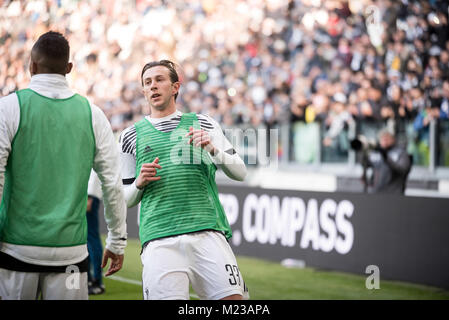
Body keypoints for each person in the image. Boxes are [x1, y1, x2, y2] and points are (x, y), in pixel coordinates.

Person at [0, 31, 127, 300]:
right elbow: (113, 183)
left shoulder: (9, 108)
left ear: (31, 66)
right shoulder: (93, 114)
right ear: (69, 68)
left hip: (16, 250)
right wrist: (117, 240)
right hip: (72, 255)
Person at [119, 60, 249, 300]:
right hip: (159, 238)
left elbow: (240, 172)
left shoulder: (204, 123)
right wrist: (139, 183)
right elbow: (125, 199)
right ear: (143, 91)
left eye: (159, 80)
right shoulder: (130, 136)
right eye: (147, 83)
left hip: (206, 232)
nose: (153, 86)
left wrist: (212, 149)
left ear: (175, 87)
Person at [362, 129, 412, 194]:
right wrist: (364, 152)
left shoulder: (401, 153)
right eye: (382, 139)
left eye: (387, 139)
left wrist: (386, 158)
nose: (384, 141)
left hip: (394, 193)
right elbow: (366, 165)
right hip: (376, 192)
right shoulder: (376, 153)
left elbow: (403, 169)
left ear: (393, 140)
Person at [86, 170, 105, 295]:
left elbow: (94, 169)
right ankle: (90, 279)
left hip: (89, 195)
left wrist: (89, 196)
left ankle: (96, 280)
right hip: (88, 194)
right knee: (87, 239)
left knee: (91, 239)